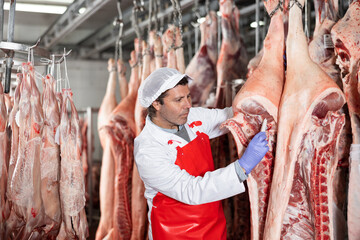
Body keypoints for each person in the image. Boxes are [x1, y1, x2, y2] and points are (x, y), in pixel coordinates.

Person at [134, 67, 269, 240]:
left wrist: (260, 94)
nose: (188, 105)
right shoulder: (148, 149)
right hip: (174, 233)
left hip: (212, 225)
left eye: (188, 96)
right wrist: (242, 167)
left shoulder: (192, 117)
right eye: (179, 100)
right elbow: (191, 190)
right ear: (156, 104)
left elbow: (230, 115)